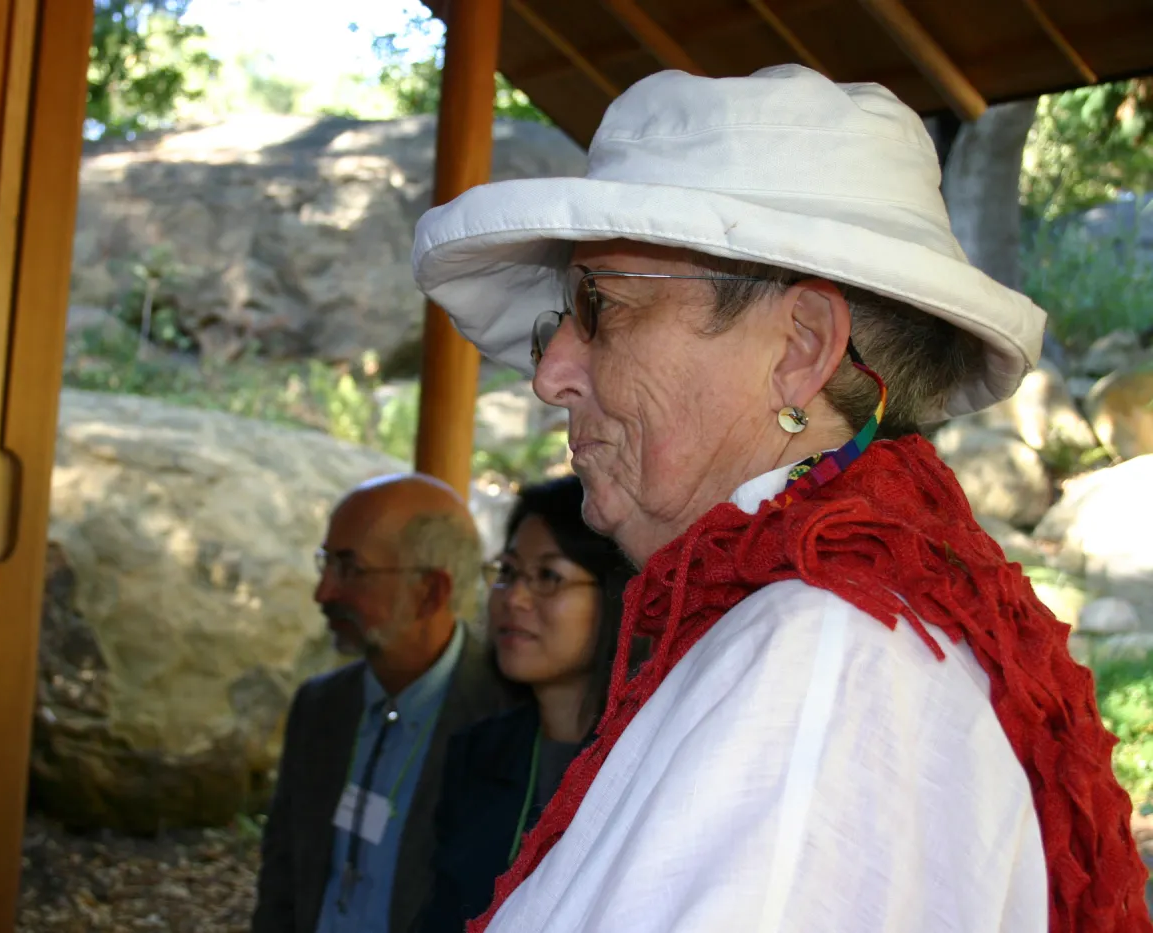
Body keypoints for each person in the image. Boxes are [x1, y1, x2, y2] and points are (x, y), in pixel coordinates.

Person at [409, 66, 1150, 933]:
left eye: (599, 306)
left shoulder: (824, 663)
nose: (550, 374)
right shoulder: (822, 620)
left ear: (799, 349)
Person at [252, 473, 507, 933]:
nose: (323, 592)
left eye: (350, 569)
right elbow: (281, 881)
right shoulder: (320, 708)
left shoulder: (505, 719)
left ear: (431, 591)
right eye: (326, 563)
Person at [419, 476, 636, 933]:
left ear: (617, 594)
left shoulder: (639, 761)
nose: (514, 598)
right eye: (509, 572)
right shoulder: (477, 753)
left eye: (548, 577)